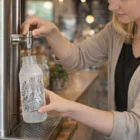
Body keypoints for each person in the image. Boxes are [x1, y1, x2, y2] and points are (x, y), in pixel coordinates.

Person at [21, 0, 140, 139]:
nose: (111, 6)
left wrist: (70, 109)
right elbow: (78, 57)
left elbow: (136, 127)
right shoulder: (118, 31)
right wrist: (52, 32)